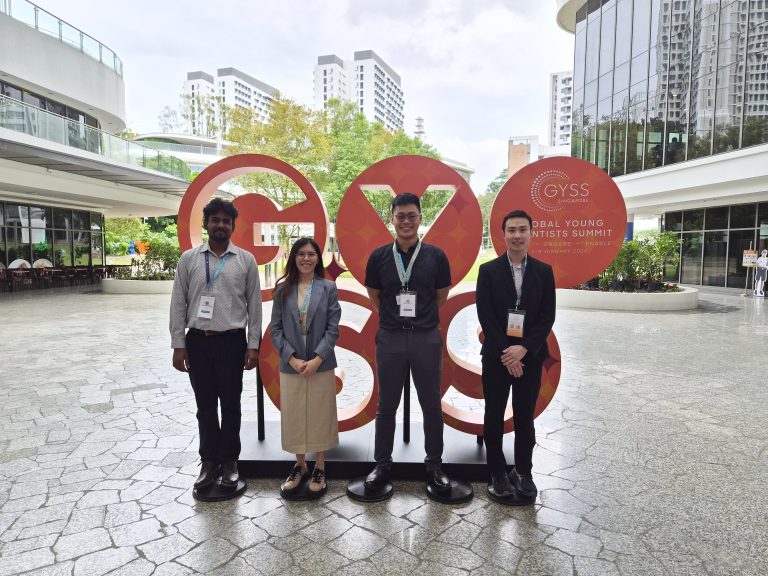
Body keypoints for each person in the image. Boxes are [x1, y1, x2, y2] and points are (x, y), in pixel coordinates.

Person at [363, 192, 452, 493]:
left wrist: (420, 318)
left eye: (411, 215)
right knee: (386, 405)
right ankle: (382, 465)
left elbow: (441, 296)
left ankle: (435, 465)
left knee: (431, 404)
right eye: (400, 216)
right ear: (392, 219)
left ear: (420, 218)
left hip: (426, 337)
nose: (406, 221)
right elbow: (375, 295)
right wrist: (396, 317)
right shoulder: (378, 257)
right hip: (390, 337)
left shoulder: (436, 256)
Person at [170, 198, 261, 489]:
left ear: (233, 226)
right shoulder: (189, 259)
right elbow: (178, 303)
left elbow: (254, 305)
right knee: (205, 406)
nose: (220, 225)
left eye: (226, 221)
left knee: (231, 404)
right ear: (206, 224)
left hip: (232, 342)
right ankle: (209, 462)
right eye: (215, 220)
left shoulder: (245, 260)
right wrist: (178, 344)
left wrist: (253, 344)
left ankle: (230, 461)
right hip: (198, 342)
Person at [476, 209, 556, 501]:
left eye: (523, 230)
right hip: (497, 357)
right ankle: (497, 472)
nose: (517, 235)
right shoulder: (488, 271)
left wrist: (523, 349)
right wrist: (507, 353)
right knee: (494, 415)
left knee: (525, 416)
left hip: (530, 357)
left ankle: (524, 471)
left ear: (531, 233)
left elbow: (547, 316)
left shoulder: (544, 272)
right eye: (512, 230)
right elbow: (486, 315)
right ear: (503, 234)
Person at [270, 238, 341, 494]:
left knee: (321, 413)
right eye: (301, 254)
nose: (306, 258)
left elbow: (333, 328)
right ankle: (299, 465)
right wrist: (291, 358)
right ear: (294, 257)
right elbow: (275, 330)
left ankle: (320, 466)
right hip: (292, 362)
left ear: (318, 258)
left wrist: (318, 359)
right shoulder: (282, 290)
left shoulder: (328, 288)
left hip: (320, 362)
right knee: (294, 413)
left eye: (311, 254)